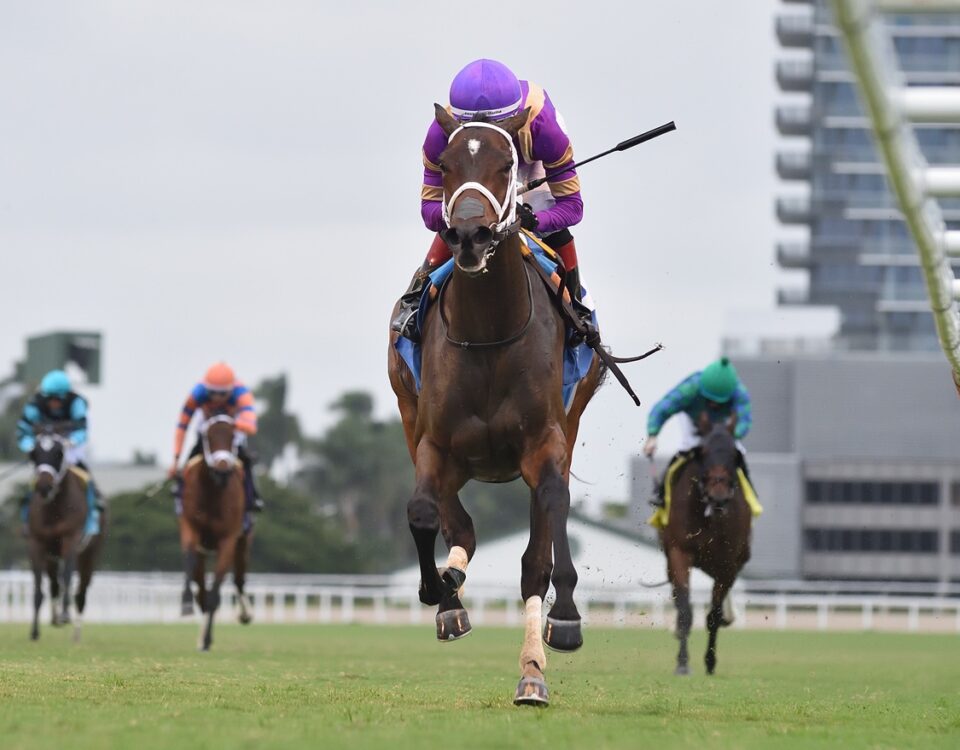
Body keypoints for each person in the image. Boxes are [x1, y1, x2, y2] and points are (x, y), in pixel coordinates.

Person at [391, 58, 587, 341]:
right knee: (463, 223)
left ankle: (578, 308)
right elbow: (429, 211)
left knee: (547, 214)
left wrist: (535, 219)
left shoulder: (544, 129)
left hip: (531, 161)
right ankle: (416, 296)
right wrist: (460, 217)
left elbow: (572, 207)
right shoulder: (439, 135)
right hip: (470, 167)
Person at [644, 357, 753, 507]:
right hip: (693, 421)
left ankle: (750, 494)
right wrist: (653, 435)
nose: (714, 403)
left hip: (723, 427)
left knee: (738, 451)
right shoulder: (690, 387)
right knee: (687, 448)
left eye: (719, 401)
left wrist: (730, 436)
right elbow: (661, 409)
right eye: (709, 398)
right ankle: (661, 494)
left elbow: (744, 422)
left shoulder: (739, 393)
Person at [169, 362, 264, 515]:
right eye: (212, 393)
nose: (217, 398)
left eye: (222, 394)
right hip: (207, 424)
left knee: (244, 457)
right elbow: (182, 426)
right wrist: (176, 460)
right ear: (206, 389)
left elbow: (251, 425)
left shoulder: (242, 393)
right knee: (196, 451)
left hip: (233, 426)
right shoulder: (196, 394)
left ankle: (253, 496)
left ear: (231, 390)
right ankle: (180, 491)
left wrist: (230, 424)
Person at [16, 369, 102, 536]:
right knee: (34, 483)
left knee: (87, 479)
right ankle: (27, 522)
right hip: (45, 450)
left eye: (58, 399)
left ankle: (91, 518)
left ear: (65, 396)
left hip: (70, 448)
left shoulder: (77, 403)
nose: (54, 403)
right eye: (51, 399)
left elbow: (82, 431)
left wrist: (70, 442)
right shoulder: (34, 404)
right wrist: (31, 447)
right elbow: (23, 433)